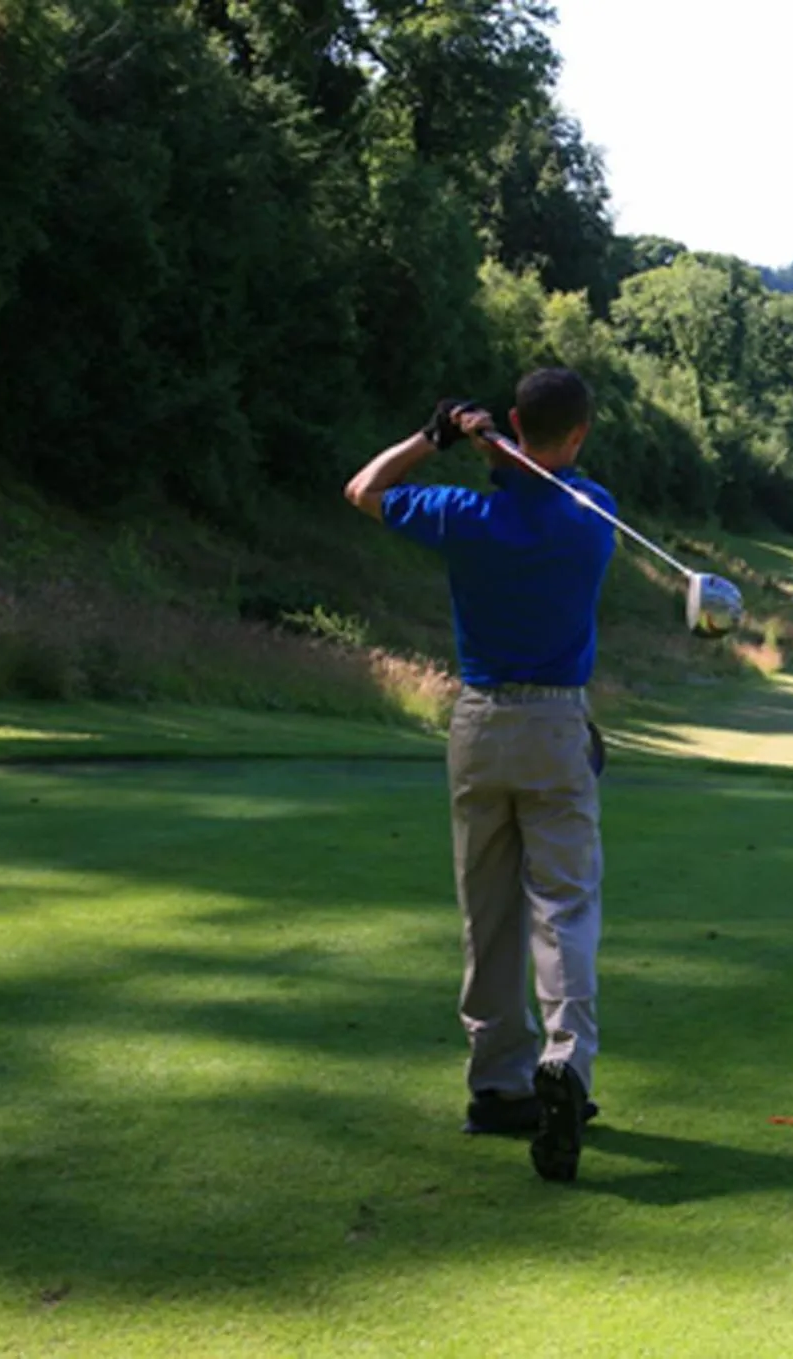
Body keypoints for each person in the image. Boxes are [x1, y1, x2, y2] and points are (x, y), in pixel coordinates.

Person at [343, 367, 615, 1183]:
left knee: (489, 911)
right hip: (556, 724)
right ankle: (564, 1063)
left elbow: (363, 488)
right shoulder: (593, 512)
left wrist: (433, 438)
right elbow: (550, 485)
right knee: (563, 907)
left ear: (513, 424)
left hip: (478, 722)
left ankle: (498, 1083)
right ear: (578, 434)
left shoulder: (463, 513)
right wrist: (504, 453)